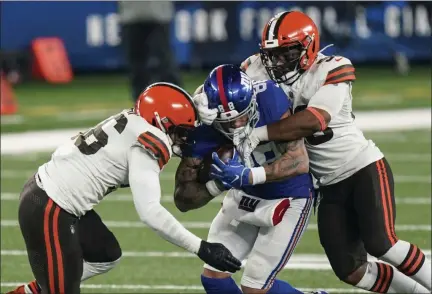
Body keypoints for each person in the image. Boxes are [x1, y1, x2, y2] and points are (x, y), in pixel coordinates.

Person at [194, 11, 431, 294]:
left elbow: (313, 120)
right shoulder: (256, 68)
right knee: (351, 270)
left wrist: (255, 135)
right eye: (272, 54)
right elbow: (225, 87)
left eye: (286, 53)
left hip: (360, 168)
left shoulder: (332, 68)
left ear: (309, 46)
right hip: (325, 184)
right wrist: (201, 100)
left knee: (383, 244)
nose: (276, 62)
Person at [7, 82, 241, 294]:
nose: (181, 139)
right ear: (162, 123)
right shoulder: (149, 143)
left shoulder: (135, 120)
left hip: (50, 194)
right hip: (50, 206)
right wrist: (201, 247)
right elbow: (150, 212)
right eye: (179, 131)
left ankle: (47, 285)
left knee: (104, 255)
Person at [174, 64, 325, 294]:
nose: (237, 125)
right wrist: (216, 185)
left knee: (254, 288)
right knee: (214, 278)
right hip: (243, 196)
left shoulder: (269, 97)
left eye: (242, 117)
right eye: (228, 121)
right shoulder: (203, 123)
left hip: (288, 196)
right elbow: (182, 200)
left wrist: (249, 175)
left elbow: (299, 161)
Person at [118, 1, 182, 101]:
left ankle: (176, 97)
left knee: (163, 60)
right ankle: (140, 101)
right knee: (137, 63)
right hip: (131, 15)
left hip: (158, 13)